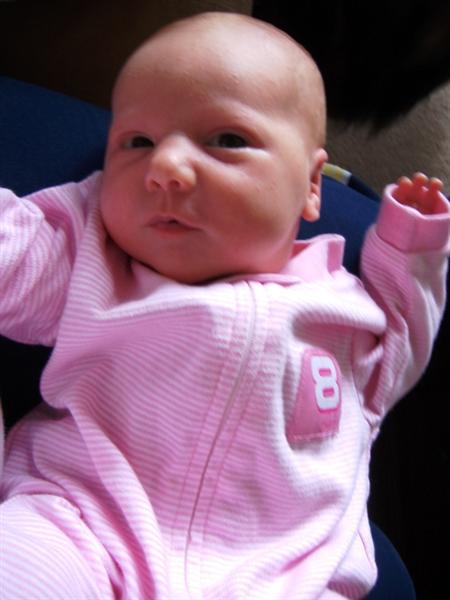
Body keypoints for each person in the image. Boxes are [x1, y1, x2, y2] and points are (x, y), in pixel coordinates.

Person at [0, 11, 448, 600]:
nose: (165, 168)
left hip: (284, 571)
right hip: (82, 525)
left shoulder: (346, 308)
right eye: (137, 142)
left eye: (227, 140)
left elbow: (404, 340)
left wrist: (410, 252)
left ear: (313, 185)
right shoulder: (89, 257)